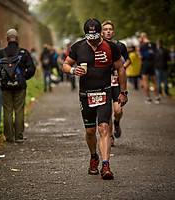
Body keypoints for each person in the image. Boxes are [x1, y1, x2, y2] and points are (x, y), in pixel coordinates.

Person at [63, 18, 128, 180]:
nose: (92, 39)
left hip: (104, 92)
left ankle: (106, 166)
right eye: (89, 36)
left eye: (95, 36)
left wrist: (123, 92)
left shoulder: (111, 47)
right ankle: (94, 157)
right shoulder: (78, 46)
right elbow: (65, 64)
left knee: (104, 128)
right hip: (86, 95)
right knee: (90, 131)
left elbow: (120, 68)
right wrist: (72, 70)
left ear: (100, 33)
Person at [0, 29, 35, 143]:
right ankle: (19, 135)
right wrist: (24, 77)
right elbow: (32, 69)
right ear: (17, 38)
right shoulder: (23, 52)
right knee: (19, 110)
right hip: (19, 86)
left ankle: (9, 137)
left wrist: (1, 78)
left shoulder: (1, 53)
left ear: (7, 39)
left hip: (5, 86)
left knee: (7, 110)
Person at [101, 20, 131, 146]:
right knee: (108, 112)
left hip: (117, 82)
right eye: (106, 29)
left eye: (110, 29)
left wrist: (122, 68)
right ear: (102, 32)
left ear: (113, 31)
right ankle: (111, 135)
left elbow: (128, 60)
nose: (108, 31)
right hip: (105, 83)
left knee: (118, 111)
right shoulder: (99, 46)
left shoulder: (120, 46)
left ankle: (117, 123)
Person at [139, 32, 160, 104]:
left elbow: (140, 57)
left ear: (142, 37)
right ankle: (157, 98)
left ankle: (148, 99)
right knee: (154, 81)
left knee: (145, 82)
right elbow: (156, 54)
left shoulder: (142, 45)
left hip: (145, 64)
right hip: (152, 64)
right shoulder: (153, 44)